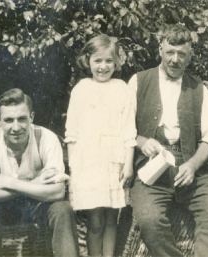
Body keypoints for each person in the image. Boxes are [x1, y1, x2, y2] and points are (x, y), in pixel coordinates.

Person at [128, 24, 208, 257]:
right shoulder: (138, 81)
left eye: (181, 54)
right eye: (170, 52)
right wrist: (142, 141)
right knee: (148, 219)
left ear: (190, 55)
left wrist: (192, 166)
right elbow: (123, 129)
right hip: (151, 169)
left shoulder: (199, 88)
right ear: (160, 49)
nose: (175, 59)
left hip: (190, 167)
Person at [0, 88, 80, 257]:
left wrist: (9, 182)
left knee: (62, 209)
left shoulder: (47, 138)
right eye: (8, 120)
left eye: (22, 119)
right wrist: (34, 184)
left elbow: (58, 192)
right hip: (3, 209)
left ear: (31, 118)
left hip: (38, 206)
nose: (16, 127)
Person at [65, 34, 137, 257]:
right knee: (95, 220)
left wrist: (129, 165)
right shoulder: (81, 89)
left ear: (116, 62)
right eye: (98, 61)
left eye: (108, 61)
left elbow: (129, 131)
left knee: (111, 219)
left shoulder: (122, 88)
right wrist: (74, 170)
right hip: (90, 163)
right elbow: (72, 134)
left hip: (114, 161)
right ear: (88, 61)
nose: (103, 67)